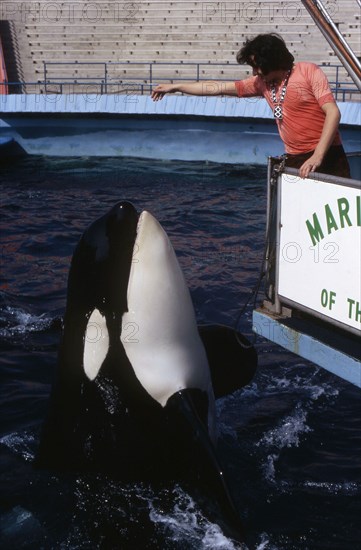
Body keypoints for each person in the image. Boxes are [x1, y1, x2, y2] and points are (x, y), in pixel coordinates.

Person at [151, 33, 351, 179]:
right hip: (295, 158)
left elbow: (333, 112)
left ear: (272, 60)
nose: (255, 72)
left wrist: (318, 155)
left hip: (328, 155)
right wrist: (176, 86)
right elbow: (217, 88)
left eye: (257, 65)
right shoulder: (261, 83)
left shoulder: (308, 72)